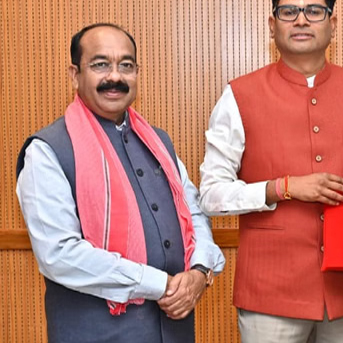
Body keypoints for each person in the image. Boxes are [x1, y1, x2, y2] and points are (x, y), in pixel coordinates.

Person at [199, 0, 343, 343]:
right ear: (272, 25)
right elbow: (211, 195)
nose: (302, 20)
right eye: (288, 12)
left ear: (332, 24)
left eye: (314, 11)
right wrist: (282, 188)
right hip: (270, 292)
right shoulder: (239, 95)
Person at [16, 23, 225, 343]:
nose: (115, 76)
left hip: (173, 331)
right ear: (75, 75)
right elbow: (59, 254)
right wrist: (161, 285)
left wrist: (199, 270)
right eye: (100, 64)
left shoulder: (159, 142)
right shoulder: (48, 151)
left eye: (126, 65)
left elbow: (193, 211)